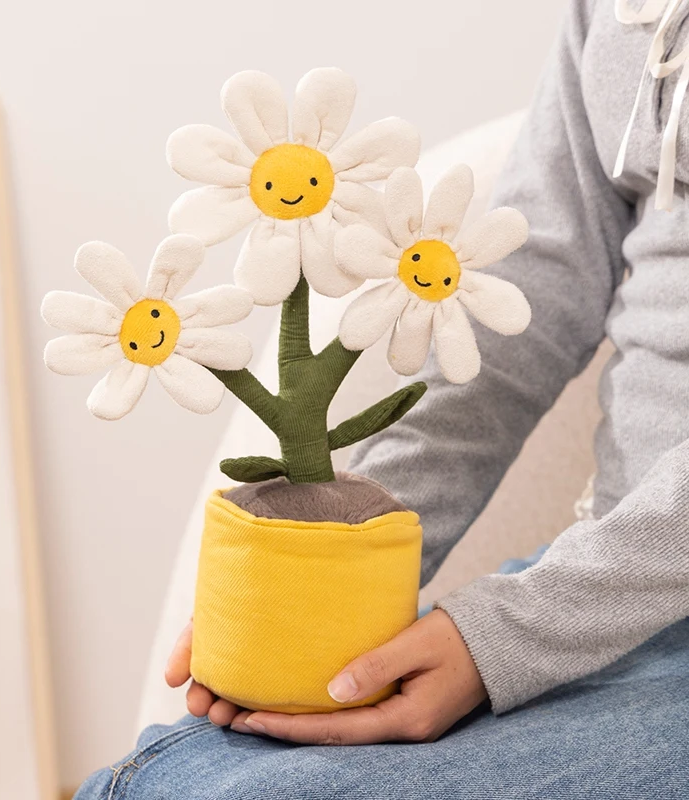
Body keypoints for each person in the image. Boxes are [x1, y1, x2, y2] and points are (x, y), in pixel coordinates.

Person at [75, 0, 689, 796]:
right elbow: (520, 312)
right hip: (607, 591)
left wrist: (508, 638)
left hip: (604, 604)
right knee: (170, 781)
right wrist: (338, 561)